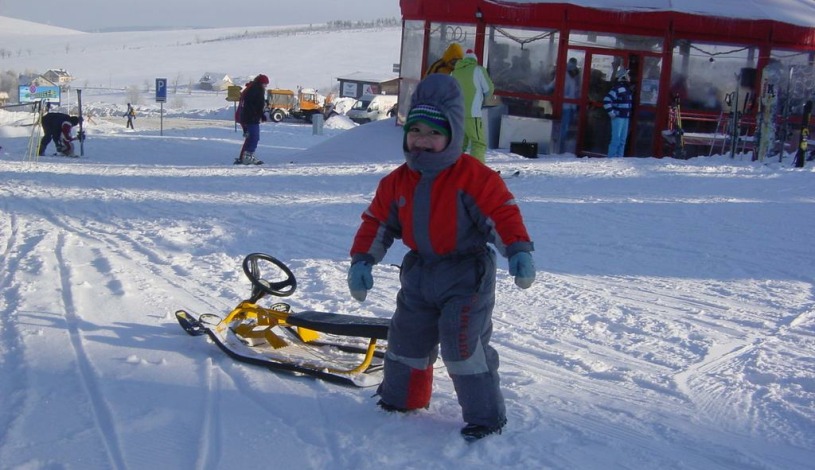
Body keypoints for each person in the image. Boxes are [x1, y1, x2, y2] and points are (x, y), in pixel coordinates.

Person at [346, 74, 536, 442]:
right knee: (406, 338)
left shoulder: (474, 177)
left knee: (462, 343)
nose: (422, 139)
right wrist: (362, 261)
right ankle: (402, 399)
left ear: (452, 134)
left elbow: (501, 213)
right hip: (419, 272)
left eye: (433, 132)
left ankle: (485, 417)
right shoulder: (397, 182)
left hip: (466, 275)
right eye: (415, 130)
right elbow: (377, 222)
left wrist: (518, 251)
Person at [450, 49, 495, 163]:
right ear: (475, 60)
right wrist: (485, 97)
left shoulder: (454, 72)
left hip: (457, 114)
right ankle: (477, 171)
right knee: (478, 142)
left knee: (460, 144)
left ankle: (453, 169)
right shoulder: (478, 70)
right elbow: (489, 89)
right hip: (472, 113)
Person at [237, 74, 269, 165]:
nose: (266, 86)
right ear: (261, 83)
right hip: (250, 118)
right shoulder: (256, 90)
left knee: (251, 138)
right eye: (265, 83)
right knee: (254, 137)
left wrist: (261, 114)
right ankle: (248, 156)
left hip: (250, 117)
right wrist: (255, 114)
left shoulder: (255, 88)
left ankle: (245, 157)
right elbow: (251, 104)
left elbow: (257, 105)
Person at [603, 67, 633, 158]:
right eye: (627, 75)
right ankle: (611, 157)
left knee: (622, 139)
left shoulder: (627, 89)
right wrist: (611, 112)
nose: (629, 77)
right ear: (623, 77)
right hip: (618, 117)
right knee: (616, 138)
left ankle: (619, 157)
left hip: (625, 117)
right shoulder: (618, 88)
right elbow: (607, 100)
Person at [560, 57, 581, 153]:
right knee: (563, 127)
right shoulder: (564, 75)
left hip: (571, 105)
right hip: (565, 105)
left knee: (567, 127)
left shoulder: (575, 76)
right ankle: (561, 147)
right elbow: (556, 86)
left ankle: (564, 147)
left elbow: (576, 91)